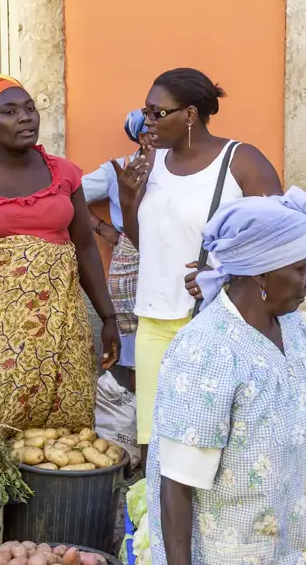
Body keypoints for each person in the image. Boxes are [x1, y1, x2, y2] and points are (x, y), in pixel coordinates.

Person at [146, 186, 306, 565]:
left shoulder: (293, 329)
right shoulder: (207, 352)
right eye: (300, 268)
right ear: (261, 273)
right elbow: (176, 485)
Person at [114, 67, 282, 458]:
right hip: (155, 318)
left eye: (158, 114)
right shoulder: (148, 164)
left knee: (211, 441)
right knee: (157, 442)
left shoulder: (240, 161)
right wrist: (127, 199)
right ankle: (157, 519)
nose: (148, 123)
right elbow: (150, 245)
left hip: (217, 323)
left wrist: (224, 273)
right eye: (145, 112)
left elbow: (282, 240)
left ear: (189, 115)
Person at [0, 74, 119, 429]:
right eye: (10, 111)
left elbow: (84, 246)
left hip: (65, 327)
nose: (26, 117)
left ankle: (63, 487)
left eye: (30, 108)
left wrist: (109, 318)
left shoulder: (65, 175)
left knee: (67, 431)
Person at [82, 109, 148, 381]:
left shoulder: (181, 169)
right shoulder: (116, 170)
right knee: (134, 345)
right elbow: (67, 195)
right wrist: (102, 227)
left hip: (172, 258)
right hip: (131, 259)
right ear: (143, 136)